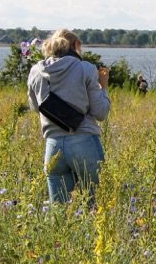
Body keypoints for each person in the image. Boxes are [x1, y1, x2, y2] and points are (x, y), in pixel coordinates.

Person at [27, 28, 110, 204]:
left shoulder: (36, 71)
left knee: (59, 213)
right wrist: (104, 87)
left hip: (53, 144)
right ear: (76, 45)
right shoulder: (85, 69)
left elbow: (35, 107)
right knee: (97, 205)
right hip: (84, 140)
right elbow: (100, 112)